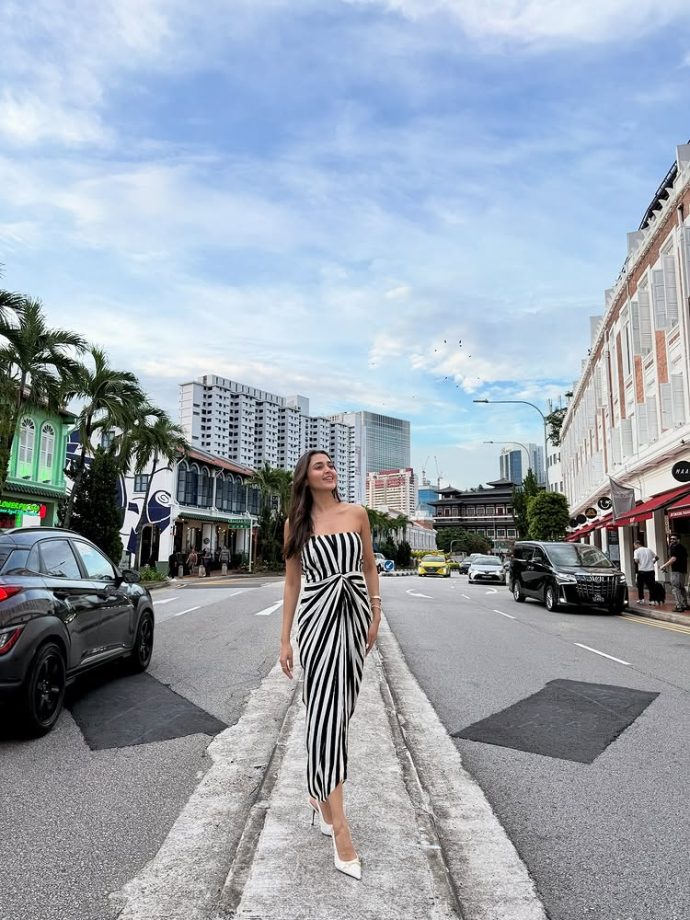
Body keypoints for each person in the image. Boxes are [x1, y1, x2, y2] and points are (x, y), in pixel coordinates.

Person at [279, 449, 380, 881]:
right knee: (323, 718)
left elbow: (370, 566)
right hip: (317, 621)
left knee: (342, 715)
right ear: (305, 477)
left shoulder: (357, 513)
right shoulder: (295, 525)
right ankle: (340, 827)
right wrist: (284, 639)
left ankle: (319, 794)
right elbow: (291, 583)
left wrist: (375, 611)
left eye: (332, 465)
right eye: (319, 466)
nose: (329, 470)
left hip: (354, 619)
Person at [659, 534, 688, 612]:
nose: (672, 540)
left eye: (674, 539)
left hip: (676, 571)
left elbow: (673, 558)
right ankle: (685, 604)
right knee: (681, 588)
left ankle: (679, 606)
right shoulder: (683, 548)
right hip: (683, 571)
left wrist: (663, 566)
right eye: (671, 539)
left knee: (676, 588)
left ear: (678, 540)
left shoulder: (675, 547)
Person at [633, 539, 658, 604]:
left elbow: (636, 561)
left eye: (634, 545)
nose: (634, 547)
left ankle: (641, 599)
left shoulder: (636, 551)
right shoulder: (649, 549)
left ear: (637, 544)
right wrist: (653, 562)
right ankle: (652, 600)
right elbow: (657, 557)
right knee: (651, 586)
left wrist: (640, 562)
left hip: (642, 570)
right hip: (651, 570)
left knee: (640, 586)